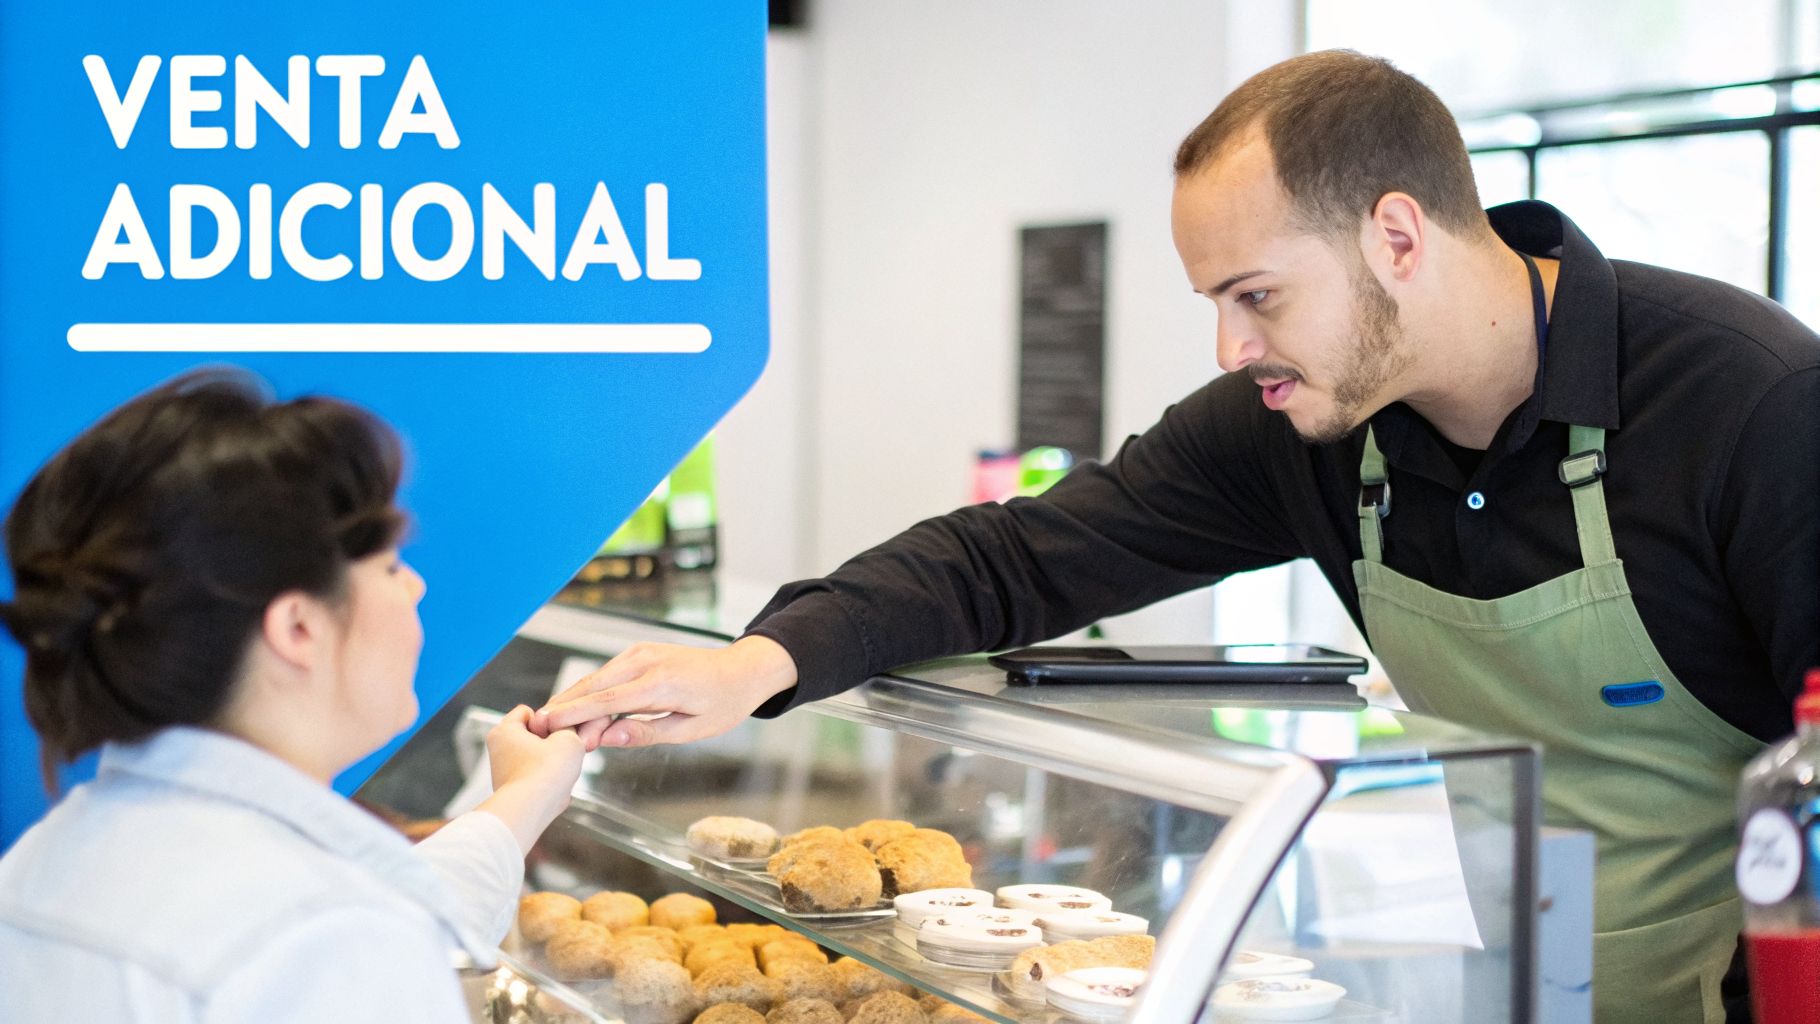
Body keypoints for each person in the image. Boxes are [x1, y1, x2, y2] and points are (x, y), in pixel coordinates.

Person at [536, 51, 1820, 1022]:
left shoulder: (1749, 405)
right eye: (1215, 300)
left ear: (1394, 236)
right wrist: (758, 663)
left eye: (1256, 295)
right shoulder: (1307, 429)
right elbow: (1019, 556)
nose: (1229, 345)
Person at [0, 370, 585, 1021]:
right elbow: (340, 939)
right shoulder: (323, 935)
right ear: (298, 627)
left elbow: (385, 910)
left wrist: (527, 795)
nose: (415, 587)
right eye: (390, 566)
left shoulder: (42, 863)